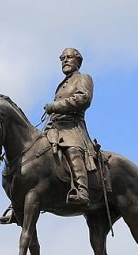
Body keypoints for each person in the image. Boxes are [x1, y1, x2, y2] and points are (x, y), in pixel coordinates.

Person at [44, 47, 96, 207]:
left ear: (78, 61)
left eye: (68, 57)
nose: (65, 60)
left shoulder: (83, 78)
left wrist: (55, 106)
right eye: (62, 58)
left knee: (72, 150)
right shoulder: (61, 85)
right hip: (55, 128)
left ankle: (82, 191)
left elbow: (83, 99)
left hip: (72, 127)